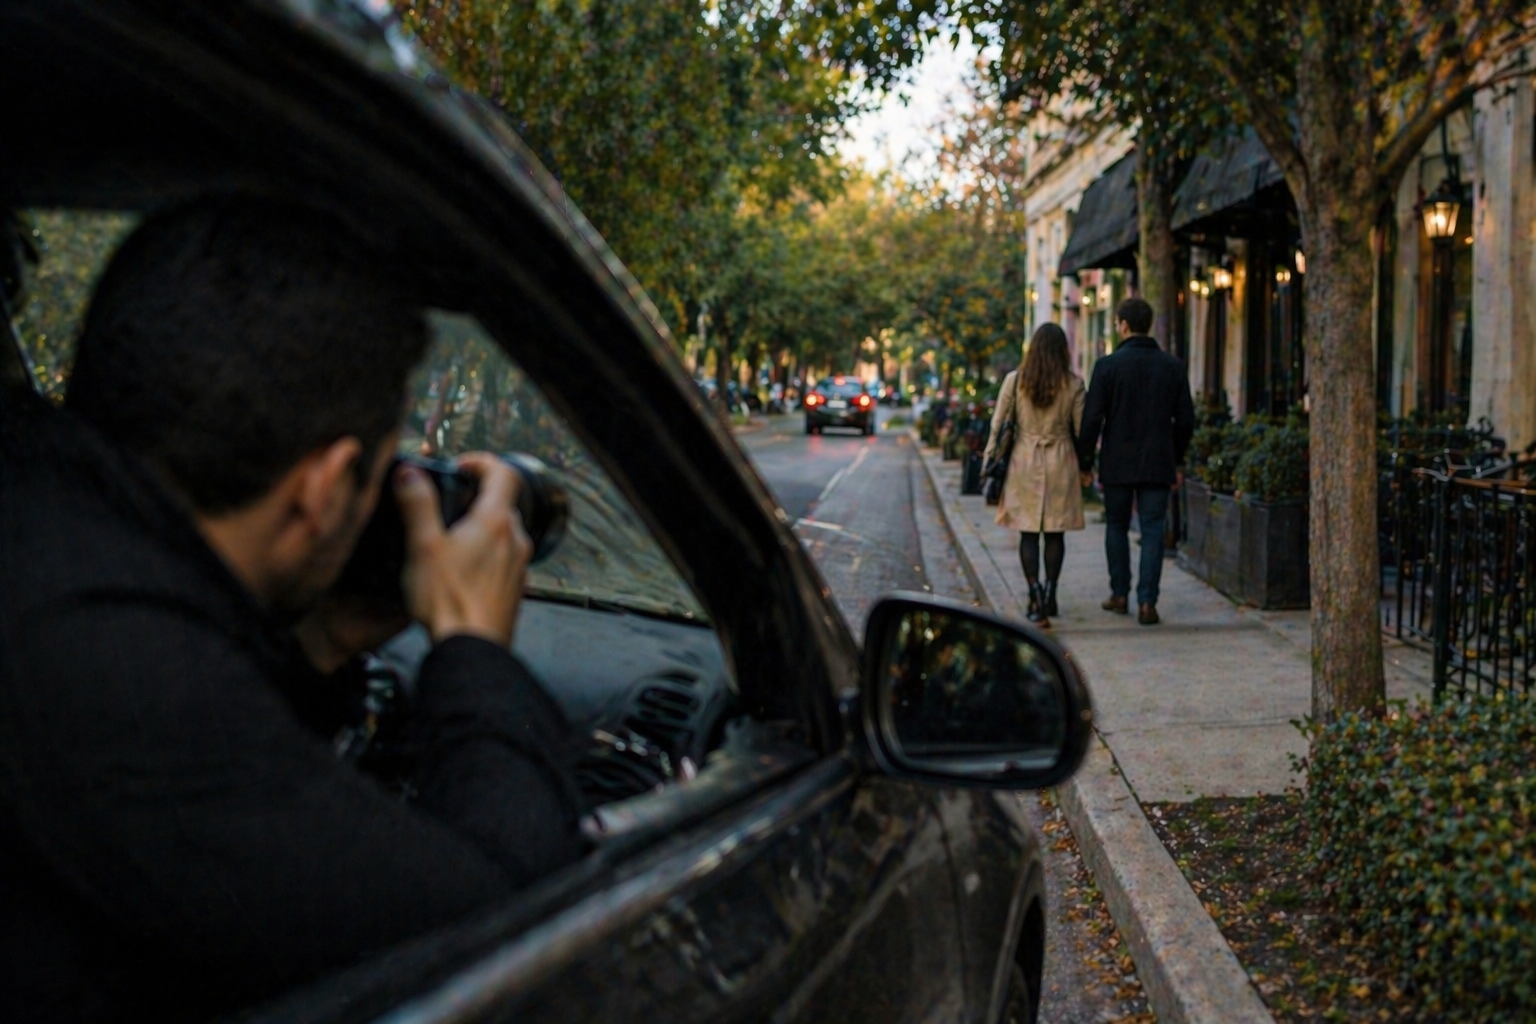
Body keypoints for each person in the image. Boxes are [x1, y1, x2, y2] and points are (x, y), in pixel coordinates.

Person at [0, 197, 589, 1023]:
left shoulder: (46, 517)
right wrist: (473, 645)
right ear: (320, 488)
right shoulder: (127, 687)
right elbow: (516, 941)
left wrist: (318, 645)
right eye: (380, 475)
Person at [1077, 297, 1197, 626]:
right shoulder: (1172, 366)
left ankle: (1119, 593)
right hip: (1158, 461)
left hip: (1117, 461)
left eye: (1117, 323)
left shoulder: (1107, 367)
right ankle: (1147, 601)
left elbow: (1092, 420)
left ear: (1124, 325)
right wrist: (1176, 457)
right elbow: (1186, 420)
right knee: (1153, 529)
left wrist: (1084, 461)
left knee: (1116, 525)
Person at [984, 323, 1087, 629]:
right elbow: (1082, 431)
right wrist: (1086, 467)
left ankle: (1034, 594)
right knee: (1055, 532)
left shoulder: (1016, 381)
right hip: (1060, 460)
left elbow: (998, 423)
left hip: (1023, 462)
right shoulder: (1073, 384)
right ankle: (1052, 591)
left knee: (1028, 532)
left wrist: (988, 461)